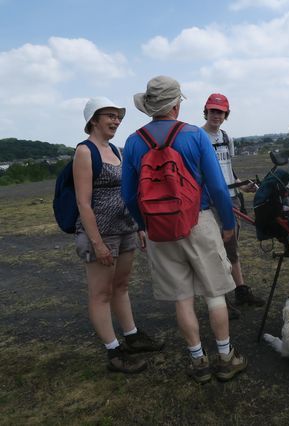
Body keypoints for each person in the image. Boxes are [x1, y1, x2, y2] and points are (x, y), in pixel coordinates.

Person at [121, 76, 248, 384]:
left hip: (159, 229)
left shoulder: (134, 141)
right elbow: (217, 187)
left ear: (150, 107)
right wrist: (228, 225)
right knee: (215, 292)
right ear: (177, 105)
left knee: (182, 298)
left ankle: (198, 362)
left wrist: (145, 224)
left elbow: (128, 195)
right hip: (199, 220)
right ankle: (225, 357)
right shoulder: (194, 135)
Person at [74, 97, 163, 374]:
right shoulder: (85, 152)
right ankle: (114, 352)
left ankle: (132, 335)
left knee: (121, 285)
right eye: (110, 116)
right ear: (94, 120)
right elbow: (83, 203)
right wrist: (97, 243)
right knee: (101, 293)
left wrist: (138, 226)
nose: (115, 121)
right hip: (100, 233)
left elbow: (128, 192)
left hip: (124, 229)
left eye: (117, 117)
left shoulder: (115, 149)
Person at [201, 92, 265, 318]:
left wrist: (240, 186)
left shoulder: (227, 137)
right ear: (206, 111)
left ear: (226, 114)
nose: (216, 115)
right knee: (215, 251)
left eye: (220, 112)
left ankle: (240, 290)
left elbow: (227, 169)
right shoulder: (199, 137)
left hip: (231, 197)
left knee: (232, 249)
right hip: (211, 201)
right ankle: (221, 300)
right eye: (213, 111)